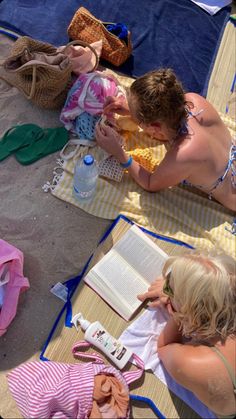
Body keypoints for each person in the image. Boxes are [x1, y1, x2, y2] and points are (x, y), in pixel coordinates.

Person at [95, 68, 236, 211]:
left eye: (139, 121)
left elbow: (150, 183)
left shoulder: (183, 153)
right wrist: (131, 109)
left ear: (154, 127)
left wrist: (119, 153)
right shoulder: (194, 100)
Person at [137, 253, 236, 418]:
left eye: (169, 287)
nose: (166, 290)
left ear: (193, 312)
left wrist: (178, 313)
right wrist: (180, 297)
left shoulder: (196, 363)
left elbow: (164, 346)